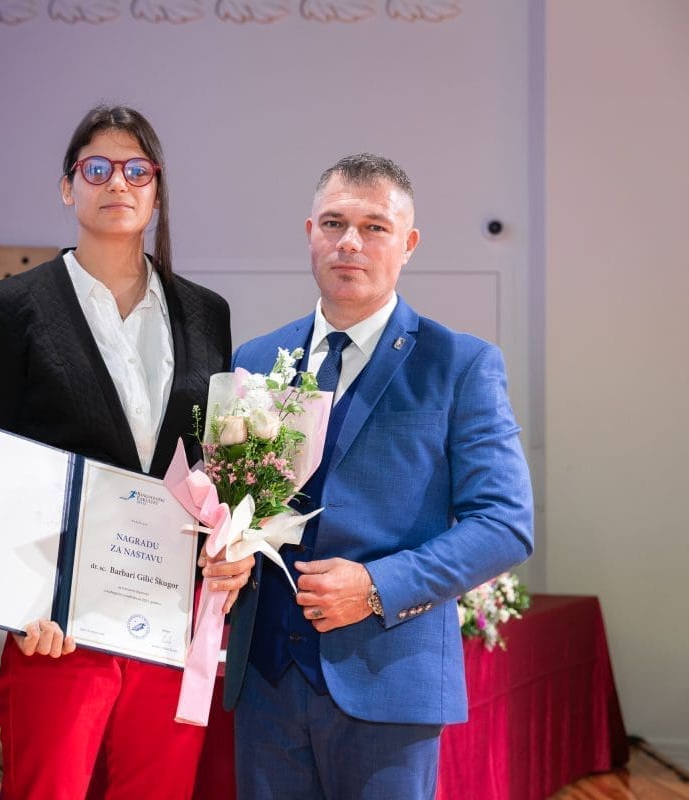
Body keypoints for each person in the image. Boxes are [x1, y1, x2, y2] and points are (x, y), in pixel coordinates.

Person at [0, 105, 249, 800]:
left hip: (168, 618)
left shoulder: (206, 312)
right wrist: (18, 603)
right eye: (97, 168)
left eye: (136, 170)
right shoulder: (12, 308)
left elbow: (214, 462)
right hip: (58, 624)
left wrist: (233, 541)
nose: (117, 182)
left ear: (157, 189)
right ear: (68, 187)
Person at [225, 153, 534, 799]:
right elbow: (235, 504)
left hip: (388, 683)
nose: (350, 242)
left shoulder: (460, 364)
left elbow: (505, 524)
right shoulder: (255, 358)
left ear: (408, 243)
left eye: (374, 227)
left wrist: (374, 587)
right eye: (334, 223)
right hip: (265, 686)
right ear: (309, 232)